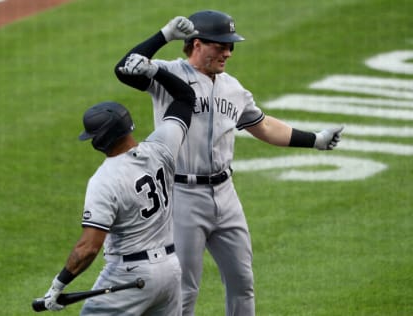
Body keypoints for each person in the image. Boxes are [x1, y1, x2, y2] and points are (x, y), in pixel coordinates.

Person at [115, 11, 343, 316]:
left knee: (242, 281)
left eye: (231, 46)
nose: (228, 53)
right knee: (184, 288)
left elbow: (263, 126)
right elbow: (124, 68)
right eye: (221, 46)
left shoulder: (233, 88)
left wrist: (314, 139)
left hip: (225, 194)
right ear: (197, 44)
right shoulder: (165, 75)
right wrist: (164, 35)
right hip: (182, 195)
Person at [37, 53, 196, 316]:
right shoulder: (161, 148)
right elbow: (185, 97)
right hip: (169, 270)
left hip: (129, 276)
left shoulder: (104, 180)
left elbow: (88, 248)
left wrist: (58, 284)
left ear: (100, 140)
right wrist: (154, 70)